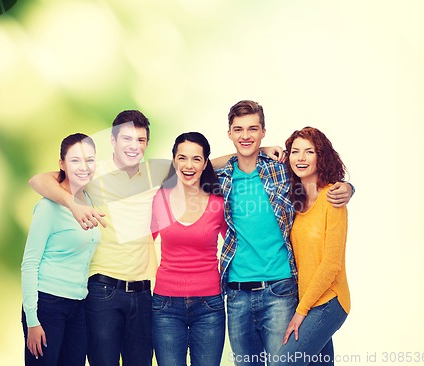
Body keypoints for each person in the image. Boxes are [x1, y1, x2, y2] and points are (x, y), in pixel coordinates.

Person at [28, 109, 285, 366]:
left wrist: (258, 151)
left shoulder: (157, 174)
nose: (133, 146)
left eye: (140, 140)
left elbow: (205, 162)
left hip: (144, 293)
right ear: (113, 141)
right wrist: (73, 205)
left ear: (147, 144)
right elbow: (39, 180)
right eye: (126, 139)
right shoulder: (94, 172)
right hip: (104, 288)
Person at [215, 100, 354, 366]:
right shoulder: (222, 177)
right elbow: (188, 168)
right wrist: (253, 151)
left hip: (280, 291)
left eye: (253, 129)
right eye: (239, 130)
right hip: (236, 294)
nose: (246, 136)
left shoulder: (281, 170)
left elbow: (318, 174)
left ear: (264, 130)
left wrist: (349, 187)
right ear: (229, 133)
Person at [21, 133, 101, 366]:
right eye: (75, 160)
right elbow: (29, 263)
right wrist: (32, 320)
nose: (83, 167)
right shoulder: (48, 207)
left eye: (90, 160)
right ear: (62, 164)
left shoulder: (90, 199)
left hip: (78, 305)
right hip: (47, 306)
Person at [274, 127, 350, 366]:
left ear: (322, 156)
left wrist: (301, 311)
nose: (301, 158)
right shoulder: (294, 200)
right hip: (307, 300)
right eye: (295, 152)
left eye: (309, 151)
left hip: (329, 301)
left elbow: (331, 264)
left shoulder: (333, 199)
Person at [150, 132, 227, 366]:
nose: (188, 165)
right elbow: (141, 245)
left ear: (205, 164)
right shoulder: (159, 199)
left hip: (209, 306)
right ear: (174, 161)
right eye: (182, 158)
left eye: (196, 159)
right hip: (165, 306)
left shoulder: (218, 204)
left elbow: (238, 247)